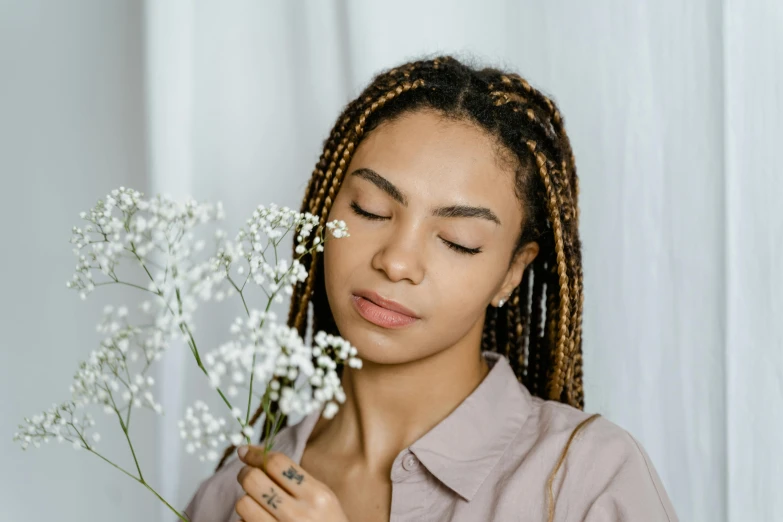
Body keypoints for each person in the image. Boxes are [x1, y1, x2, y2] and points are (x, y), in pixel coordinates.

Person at [182, 55, 678, 522]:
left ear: (511, 272)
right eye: (370, 210)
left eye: (457, 241)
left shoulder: (586, 480)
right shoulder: (236, 495)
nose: (396, 262)